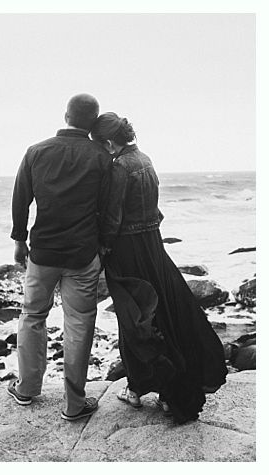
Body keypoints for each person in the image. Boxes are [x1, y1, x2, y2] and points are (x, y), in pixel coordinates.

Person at [92, 112, 227, 423]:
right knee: (163, 316)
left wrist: (102, 249)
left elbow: (112, 218)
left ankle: (137, 389)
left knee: (134, 319)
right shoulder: (145, 159)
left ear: (109, 142)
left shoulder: (119, 167)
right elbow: (154, 207)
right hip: (153, 245)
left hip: (128, 250)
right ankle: (169, 391)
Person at [6, 93, 112, 421]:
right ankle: (74, 403)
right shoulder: (101, 156)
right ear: (93, 122)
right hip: (82, 253)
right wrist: (104, 247)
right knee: (80, 322)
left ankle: (26, 389)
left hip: (43, 251)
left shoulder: (36, 151)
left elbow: (20, 198)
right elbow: (108, 208)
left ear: (65, 115)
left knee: (32, 316)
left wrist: (19, 240)